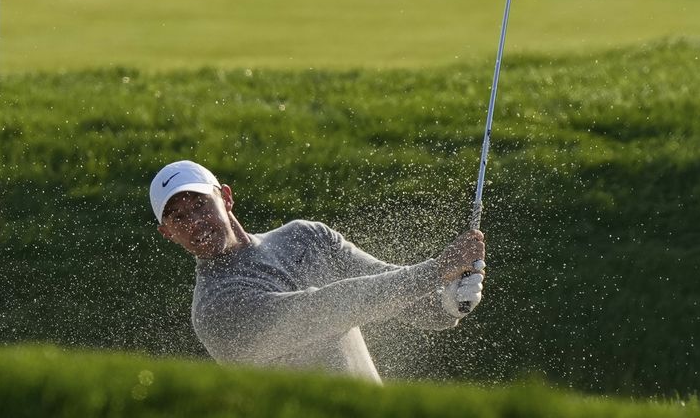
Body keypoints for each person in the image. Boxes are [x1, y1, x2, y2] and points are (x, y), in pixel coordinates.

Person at [150, 160, 486, 384]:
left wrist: (449, 301)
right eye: (178, 217)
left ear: (225, 197)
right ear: (168, 233)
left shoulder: (306, 238)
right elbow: (328, 307)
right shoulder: (215, 309)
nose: (194, 222)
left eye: (199, 205)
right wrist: (437, 269)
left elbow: (404, 300)